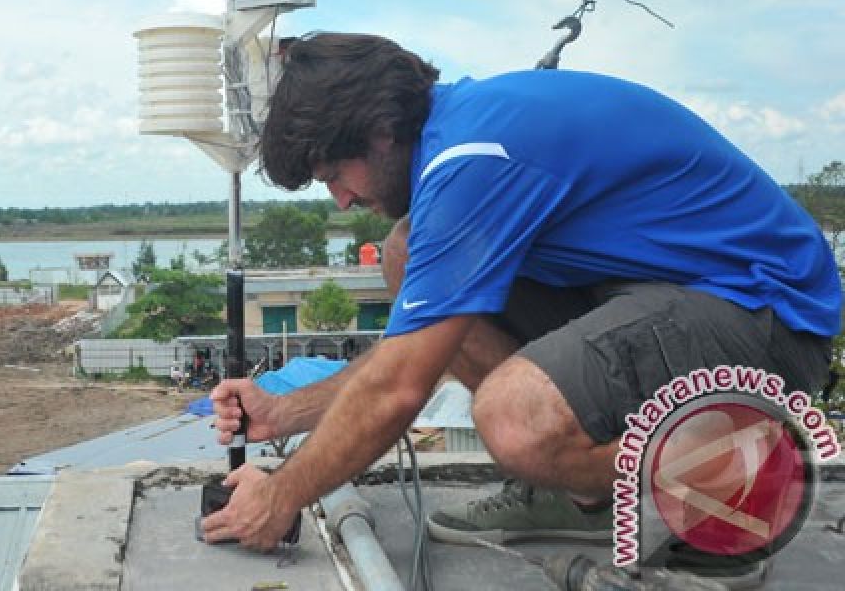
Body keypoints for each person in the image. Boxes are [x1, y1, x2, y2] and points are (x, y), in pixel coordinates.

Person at [201, 33, 840, 574]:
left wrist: (281, 494)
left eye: (335, 175)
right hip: (668, 293)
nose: (340, 199)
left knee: (515, 417)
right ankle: (577, 497)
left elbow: (398, 388)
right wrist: (285, 412)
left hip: (768, 321)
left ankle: (739, 487)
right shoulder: (460, 131)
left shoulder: (472, 159)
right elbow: (410, 355)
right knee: (405, 248)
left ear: (381, 132)